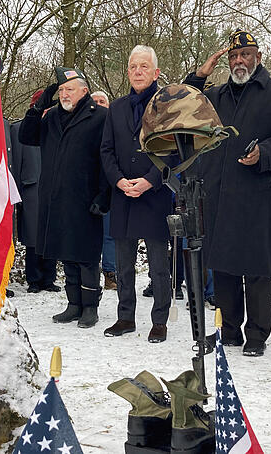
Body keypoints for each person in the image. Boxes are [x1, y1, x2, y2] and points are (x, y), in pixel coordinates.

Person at [186, 30, 271, 356]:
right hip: (218, 195)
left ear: (258, 57)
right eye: (234, 56)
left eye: (245, 55)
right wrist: (199, 76)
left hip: (256, 194)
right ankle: (229, 330)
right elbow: (181, 106)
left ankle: (256, 334)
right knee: (222, 266)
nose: (239, 61)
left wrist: (264, 153)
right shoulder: (216, 95)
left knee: (256, 267)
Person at [19, 67, 110, 328]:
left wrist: (105, 195)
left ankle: (90, 307)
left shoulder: (100, 116)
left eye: (69, 89)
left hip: (86, 197)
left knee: (86, 256)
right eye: (60, 90)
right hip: (56, 198)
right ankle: (74, 304)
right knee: (66, 253)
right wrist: (38, 107)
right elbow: (27, 136)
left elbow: (107, 157)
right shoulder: (51, 118)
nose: (64, 94)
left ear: (84, 91)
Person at [101, 45, 174, 343]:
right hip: (122, 195)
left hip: (154, 195)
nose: (138, 71)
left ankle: (160, 321)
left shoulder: (167, 106)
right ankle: (125, 317)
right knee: (123, 263)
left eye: (144, 66)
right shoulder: (116, 108)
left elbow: (173, 151)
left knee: (158, 266)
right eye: (133, 66)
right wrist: (118, 181)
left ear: (156, 72)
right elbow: (106, 150)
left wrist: (149, 181)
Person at [11, 90, 60, 294]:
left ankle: (49, 278)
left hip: (55, 188)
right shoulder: (19, 128)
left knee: (51, 233)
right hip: (30, 188)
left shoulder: (58, 127)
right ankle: (34, 279)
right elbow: (16, 161)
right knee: (32, 236)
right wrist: (18, 192)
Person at [91, 91, 118, 290]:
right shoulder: (82, 125)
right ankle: (89, 275)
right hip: (87, 188)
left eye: (102, 101)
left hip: (110, 187)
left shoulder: (116, 126)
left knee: (109, 233)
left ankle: (110, 273)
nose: (99, 104)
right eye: (95, 101)